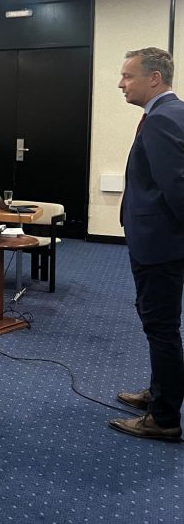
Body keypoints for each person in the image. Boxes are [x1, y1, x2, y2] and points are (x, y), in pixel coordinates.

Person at [110, 47, 184, 441]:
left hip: (160, 244)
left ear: (154, 78)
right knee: (161, 326)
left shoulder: (161, 120)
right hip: (162, 241)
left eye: (128, 76)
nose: (121, 84)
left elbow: (177, 187)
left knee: (161, 327)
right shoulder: (172, 113)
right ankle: (160, 394)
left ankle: (165, 418)